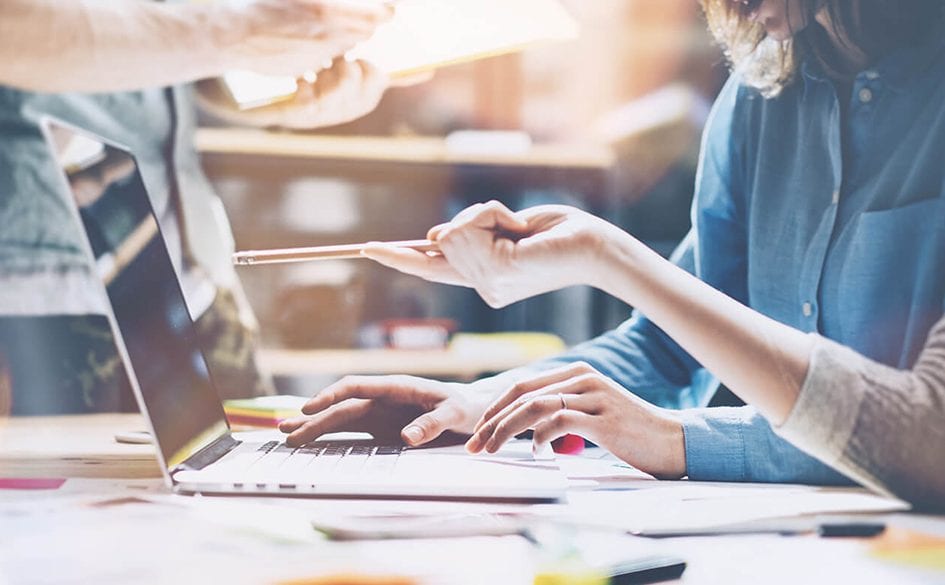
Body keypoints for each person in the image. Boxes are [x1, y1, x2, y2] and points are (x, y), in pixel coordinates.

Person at [280, 0, 945, 495]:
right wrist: (484, 403)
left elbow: (928, 434)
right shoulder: (761, 93)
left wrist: (676, 436)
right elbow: (670, 345)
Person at [0, 0, 396, 414]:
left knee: (261, 472)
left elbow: (156, 78)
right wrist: (235, 33)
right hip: (36, 303)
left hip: (196, 278)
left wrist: (269, 93)